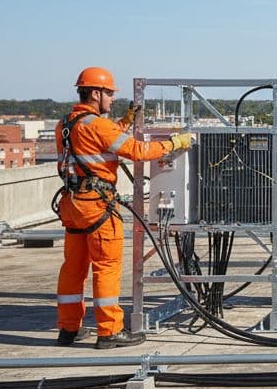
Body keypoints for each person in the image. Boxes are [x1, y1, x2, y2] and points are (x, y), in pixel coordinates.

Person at [55, 67, 195, 349]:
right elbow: (139, 151)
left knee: (73, 268)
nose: (111, 98)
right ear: (95, 93)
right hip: (97, 206)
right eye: (108, 93)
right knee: (106, 266)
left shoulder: (66, 125)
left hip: (72, 204)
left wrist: (126, 121)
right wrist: (175, 143)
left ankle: (68, 329)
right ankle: (109, 331)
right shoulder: (98, 125)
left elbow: (101, 140)